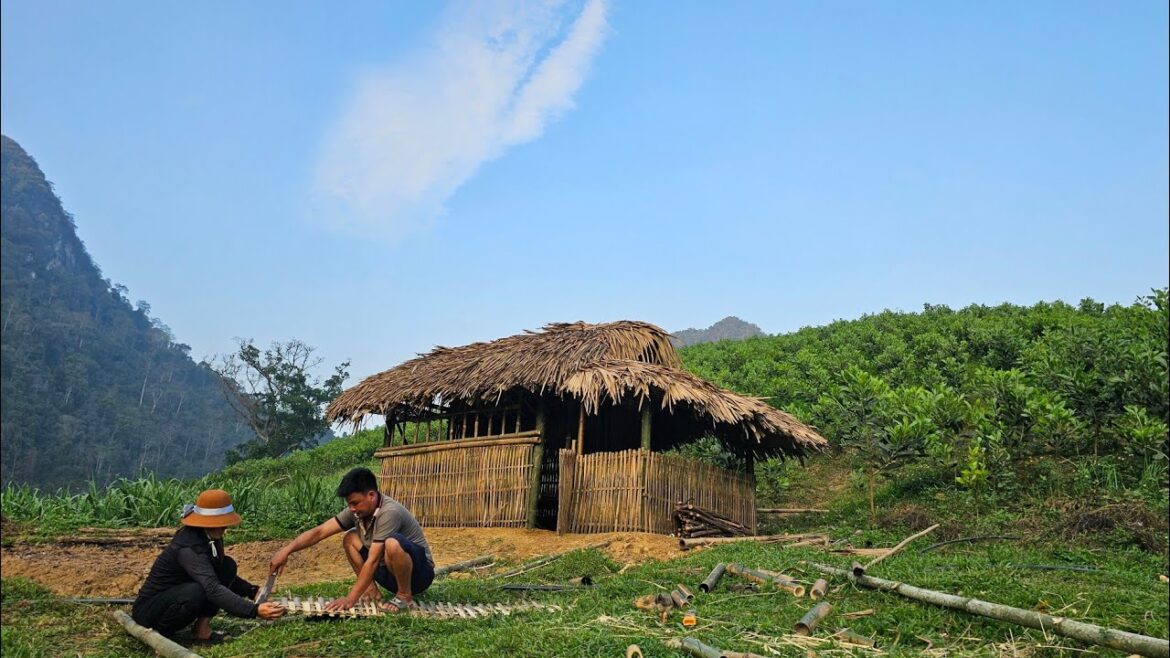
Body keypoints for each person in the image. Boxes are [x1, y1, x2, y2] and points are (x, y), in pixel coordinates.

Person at [269, 467, 435, 613]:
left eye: (355, 503)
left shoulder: (390, 512)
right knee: (350, 538)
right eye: (349, 504)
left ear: (371, 495)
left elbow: (373, 559)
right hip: (390, 574)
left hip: (419, 576)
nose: (352, 509)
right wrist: (286, 550)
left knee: (392, 543)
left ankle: (404, 595)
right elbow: (319, 532)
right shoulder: (357, 511)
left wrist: (350, 599)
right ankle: (370, 590)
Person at [132, 489, 285, 643]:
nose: (225, 528)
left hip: (179, 592)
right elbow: (212, 588)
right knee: (197, 591)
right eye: (220, 524)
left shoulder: (211, 537)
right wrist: (254, 610)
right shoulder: (190, 548)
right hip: (151, 610)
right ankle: (163, 633)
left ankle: (202, 629)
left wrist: (253, 591)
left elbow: (217, 572)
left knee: (226, 566)